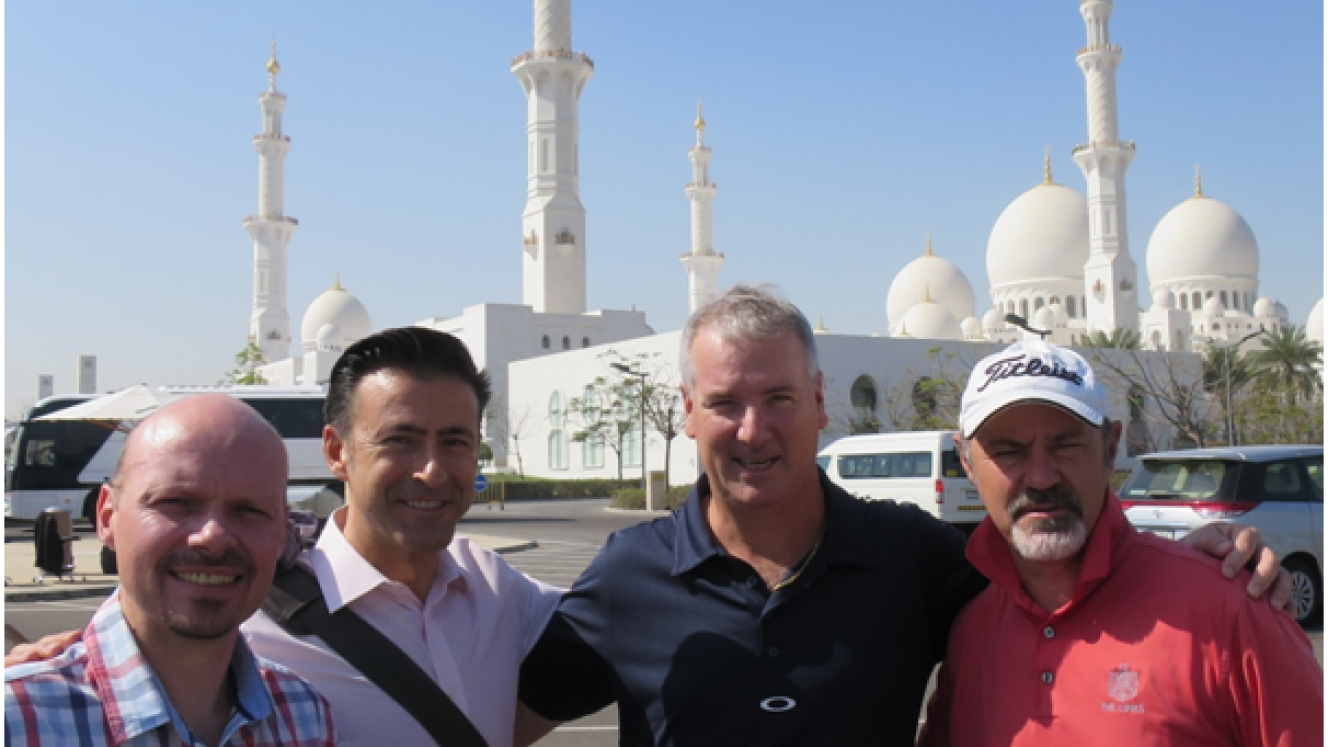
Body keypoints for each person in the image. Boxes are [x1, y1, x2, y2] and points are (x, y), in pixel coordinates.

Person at [516, 284, 1297, 746]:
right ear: (687, 411)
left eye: (779, 398)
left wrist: (1184, 564)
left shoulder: (910, 558)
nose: (753, 429)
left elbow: (1052, 570)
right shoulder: (627, 575)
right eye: (725, 402)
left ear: (820, 403)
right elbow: (493, 720)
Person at [916, 339, 1323, 746]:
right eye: (1009, 452)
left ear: (1110, 449)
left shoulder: (1231, 609)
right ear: (966, 463)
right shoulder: (973, 632)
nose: (1041, 477)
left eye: (1066, 444)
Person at [240, 327, 561, 746]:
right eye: (399, 441)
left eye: (454, 441)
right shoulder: (251, 633)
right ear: (338, 452)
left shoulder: (498, 590)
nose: (431, 470)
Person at [5, 395, 335, 746]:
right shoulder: (19, 721)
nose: (213, 537)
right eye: (175, 503)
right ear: (106, 517)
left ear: (283, 530)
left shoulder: (302, 717)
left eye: (249, 510)